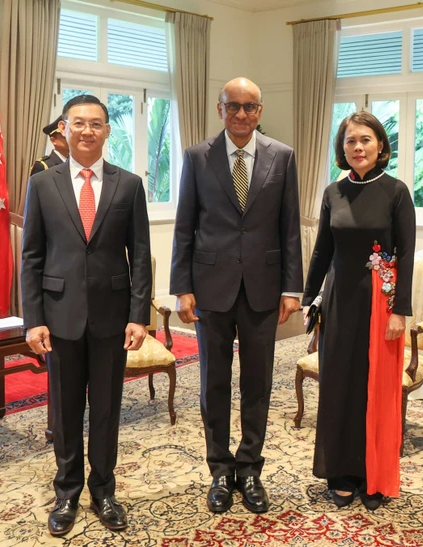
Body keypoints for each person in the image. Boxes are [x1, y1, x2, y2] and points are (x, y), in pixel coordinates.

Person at [170, 77, 303, 515]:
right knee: (214, 382)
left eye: (250, 107)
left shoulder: (282, 157)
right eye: (233, 106)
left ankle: (249, 469)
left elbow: (289, 227)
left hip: (264, 289)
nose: (242, 114)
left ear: (260, 110)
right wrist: (182, 288)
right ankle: (220, 471)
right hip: (211, 288)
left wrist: (291, 286)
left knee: (258, 383)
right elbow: (185, 225)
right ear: (219, 109)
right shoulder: (197, 157)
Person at [21, 94, 152, 536]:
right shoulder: (42, 184)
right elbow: (32, 257)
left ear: (107, 131)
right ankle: (67, 492)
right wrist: (33, 319)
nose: (87, 131)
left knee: (107, 409)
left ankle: (104, 490)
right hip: (59, 316)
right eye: (78, 123)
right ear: (64, 128)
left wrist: (139, 315)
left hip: (113, 318)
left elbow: (142, 253)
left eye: (96, 124)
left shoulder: (129, 184)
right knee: (66, 409)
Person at [302, 111, 415, 511]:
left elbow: (407, 252)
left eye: (366, 140)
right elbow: (323, 251)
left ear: (381, 146)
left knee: (376, 390)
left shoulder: (396, 191)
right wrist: (307, 298)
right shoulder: (333, 193)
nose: (358, 147)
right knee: (339, 388)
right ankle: (342, 473)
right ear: (342, 148)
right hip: (338, 302)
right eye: (351, 141)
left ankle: (373, 476)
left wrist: (401, 309)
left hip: (380, 305)